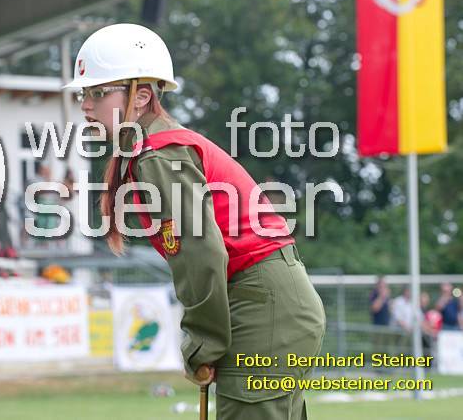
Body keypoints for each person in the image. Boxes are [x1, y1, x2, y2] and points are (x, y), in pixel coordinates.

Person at [64, 23, 325, 419]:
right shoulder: (150, 150)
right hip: (266, 301)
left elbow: (200, 252)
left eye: (98, 93)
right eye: (83, 94)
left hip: (261, 302)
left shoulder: (158, 153)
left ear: (141, 97)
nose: (86, 105)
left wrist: (203, 343)